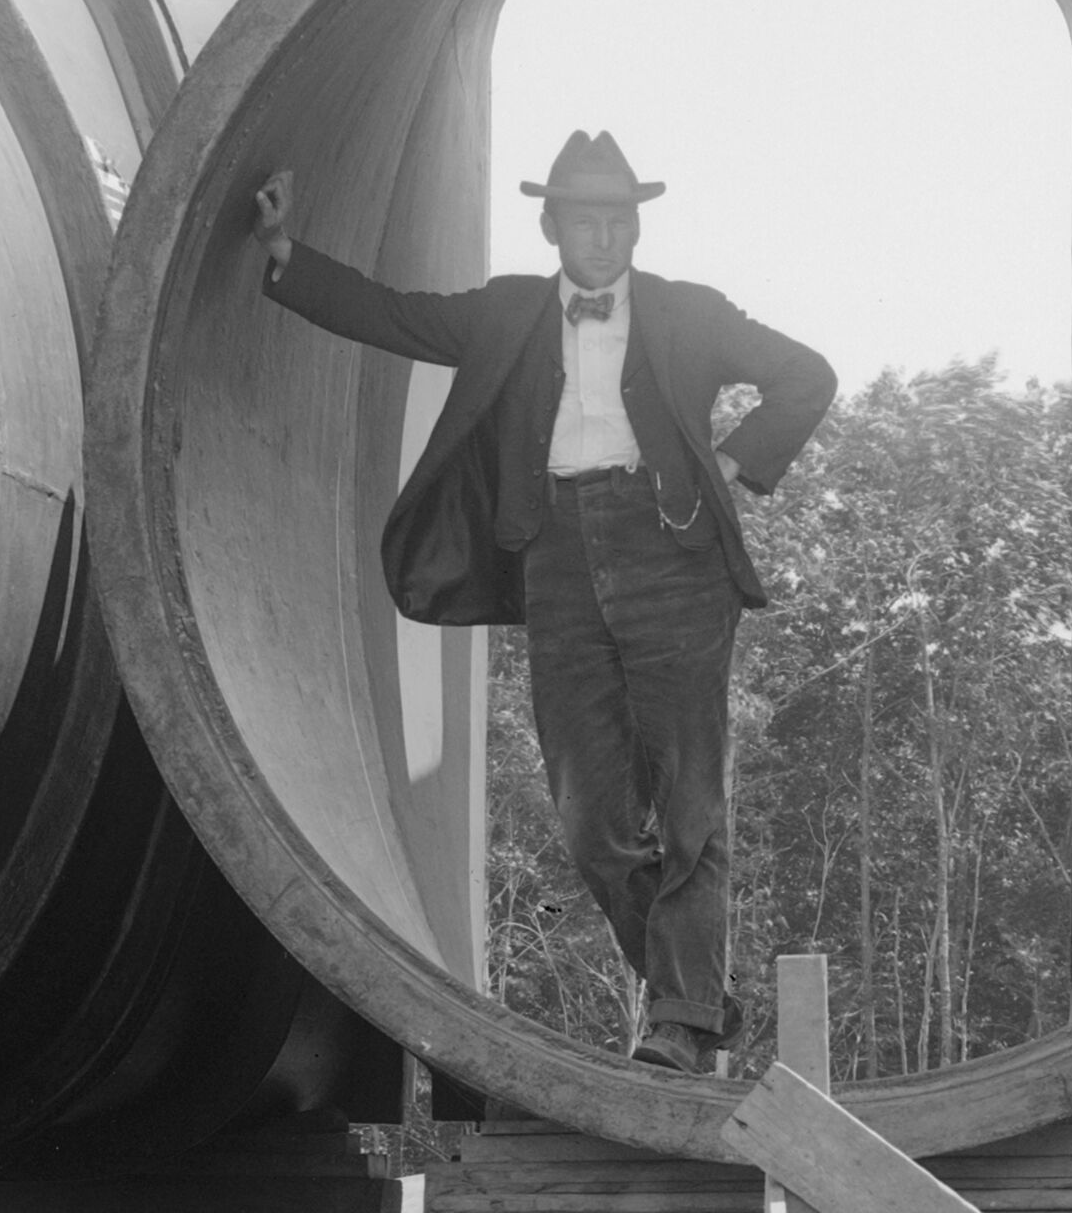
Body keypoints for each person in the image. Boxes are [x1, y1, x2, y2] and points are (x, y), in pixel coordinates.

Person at [249, 130, 835, 1075]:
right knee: (592, 826)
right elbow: (393, 315)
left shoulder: (691, 313)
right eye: (584, 220)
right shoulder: (508, 312)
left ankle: (680, 1023)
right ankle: (694, 993)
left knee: (689, 804)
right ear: (552, 224)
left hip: (674, 558)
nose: (603, 238)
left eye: (618, 220)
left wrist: (729, 466)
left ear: (635, 227)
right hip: (555, 562)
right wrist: (284, 253)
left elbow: (808, 376)